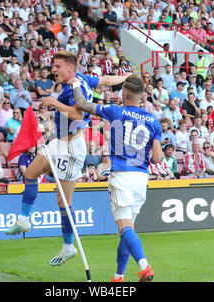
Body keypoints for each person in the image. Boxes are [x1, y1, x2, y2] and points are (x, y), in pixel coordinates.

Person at [4, 51, 130, 267]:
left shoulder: (75, 87)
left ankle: (68, 247)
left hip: (72, 148)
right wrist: (126, 78)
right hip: (58, 142)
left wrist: (53, 102)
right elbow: (105, 80)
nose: (53, 69)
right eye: (53, 65)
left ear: (70, 69)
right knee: (31, 173)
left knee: (64, 202)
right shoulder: (82, 78)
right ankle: (24, 220)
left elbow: (78, 115)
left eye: (58, 66)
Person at [70, 74, 162, 282]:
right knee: (128, 228)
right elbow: (157, 158)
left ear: (125, 93)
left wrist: (76, 83)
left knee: (124, 227)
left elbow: (82, 103)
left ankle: (144, 266)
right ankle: (119, 275)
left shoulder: (116, 111)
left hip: (121, 175)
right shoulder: (154, 121)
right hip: (141, 178)